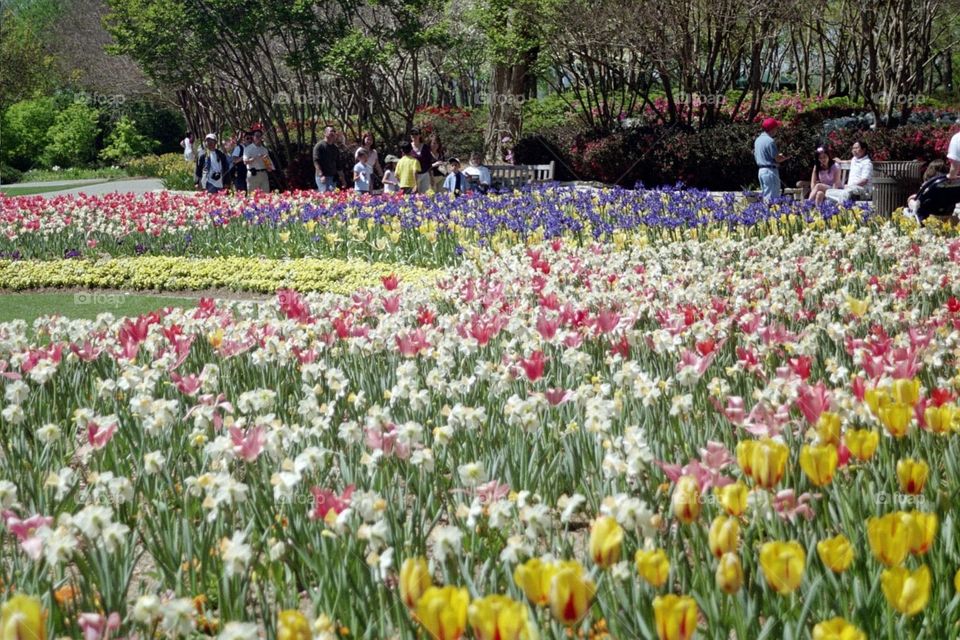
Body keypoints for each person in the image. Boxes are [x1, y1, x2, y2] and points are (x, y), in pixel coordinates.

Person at [754, 118, 787, 200]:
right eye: (776, 128)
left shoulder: (758, 140)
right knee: (772, 198)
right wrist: (786, 157)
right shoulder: (770, 141)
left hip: (761, 171)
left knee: (766, 196)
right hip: (770, 171)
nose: (777, 130)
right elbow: (777, 159)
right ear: (772, 129)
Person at [243, 128, 272, 193]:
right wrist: (255, 158)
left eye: (260, 136)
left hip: (263, 174)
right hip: (253, 174)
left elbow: (268, 164)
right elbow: (245, 162)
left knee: (266, 194)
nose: (258, 137)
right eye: (257, 136)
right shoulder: (247, 149)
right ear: (253, 137)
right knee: (252, 195)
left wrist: (268, 164)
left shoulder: (264, 149)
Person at [313, 126, 341, 192]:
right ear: (325, 133)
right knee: (325, 195)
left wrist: (342, 178)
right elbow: (316, 161)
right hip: (323, 177)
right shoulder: (319, 146)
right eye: (331, 131)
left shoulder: (335, 148)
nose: (333, 133)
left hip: (333, 177)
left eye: (334, 131)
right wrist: (321, 175)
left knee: (333, 195)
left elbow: (338, 164)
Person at [410, 128, 435, 194]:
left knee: (424, 196)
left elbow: (429, 163)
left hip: (425, 174)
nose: (414, 136)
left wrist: (431, 177)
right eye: (412, 134)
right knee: (414, 196)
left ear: (420, 135)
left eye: (416, 134)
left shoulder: (425, 147)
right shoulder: (408, 147)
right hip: (412, 176)